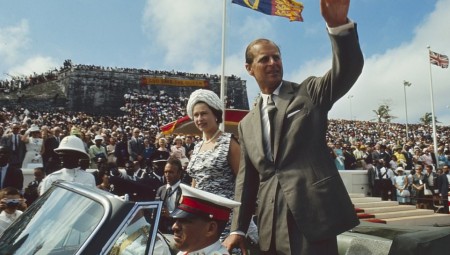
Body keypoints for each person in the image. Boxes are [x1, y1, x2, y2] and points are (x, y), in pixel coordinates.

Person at [224, 1, 364, 254]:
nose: (273, 63)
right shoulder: (246, 125)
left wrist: (338, 27)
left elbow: (347, 70)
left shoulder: (308, 92)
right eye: (264, 59)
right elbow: (247, 181)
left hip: (312, 216)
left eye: (276, 57)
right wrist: (238, 229)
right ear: (249, 68)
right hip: (269, 223)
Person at [185, 88, 242, 240]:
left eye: (204, 113)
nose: (199, 119)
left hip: (225, 219)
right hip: (200, 218)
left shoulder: (229, 142)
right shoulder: (197, 147)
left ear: (216, 115)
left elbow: (244, 182)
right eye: (196, 115)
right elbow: (195, 182)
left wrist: (239, 224)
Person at [171, 184, 240, 255]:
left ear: (211, 228)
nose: (174, 227)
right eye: (176, 220)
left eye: (184, 221)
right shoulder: (186, 252)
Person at [156, 157, 183, 234]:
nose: (167, 175)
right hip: (161, 231)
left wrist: (171, 215)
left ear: (179, 173)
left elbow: (188, 216)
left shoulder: (185, 191)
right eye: (165, 172)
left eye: (171, 172)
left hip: (178, 232)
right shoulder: (161, 189)